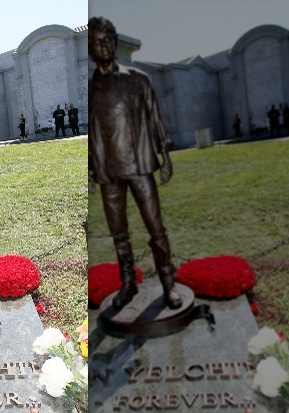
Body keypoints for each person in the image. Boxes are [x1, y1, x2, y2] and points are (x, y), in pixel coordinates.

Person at [88, 16, 182, 310]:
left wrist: (165, 155)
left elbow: (155, 118)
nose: (102, 46)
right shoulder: (90, 89)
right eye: (96, 42)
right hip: (108, 172)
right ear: (90, 49)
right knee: (119, 234)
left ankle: (169, 284)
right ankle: (128, 284)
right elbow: (90, 133)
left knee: (156, 228)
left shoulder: (136, 79)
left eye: (106, 40)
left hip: (140, 166)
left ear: (115, 43)